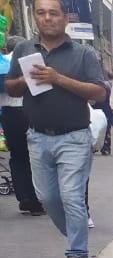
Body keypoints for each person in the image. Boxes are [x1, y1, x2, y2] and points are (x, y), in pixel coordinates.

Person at [4, 0, 107, 258]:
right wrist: (25, 80)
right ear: (35, 17)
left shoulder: (82, 53)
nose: (47, 18)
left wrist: (57, 78)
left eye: (53, 13)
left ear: (64, 18)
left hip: (74, 137)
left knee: (72, 196)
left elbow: (99, 93)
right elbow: (11, 88)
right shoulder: (25, 50)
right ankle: (77, 234)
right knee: (48, 198)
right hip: (37, 137)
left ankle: (77, 253)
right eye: (41, 13)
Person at [0, 34, 45, 215]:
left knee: (17, 157)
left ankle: (24, 196)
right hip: (28, 112)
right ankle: (36, 199)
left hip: (9, 116)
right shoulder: (27, 61)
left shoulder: (3, 62)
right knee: (35, 156)